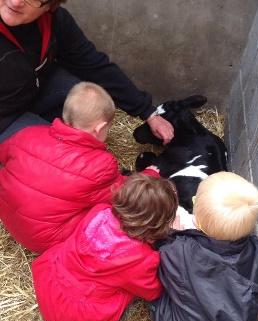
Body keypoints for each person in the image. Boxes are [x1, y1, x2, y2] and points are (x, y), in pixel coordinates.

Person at [0, 82, 159, 253]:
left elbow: (4, 155)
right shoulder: (100, 165)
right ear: (99, 128)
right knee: (114, 213)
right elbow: (125, 193)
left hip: (11, 221)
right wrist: (150, 174)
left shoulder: (28, 133)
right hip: (47, 242)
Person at [144, 172, 258, 321]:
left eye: (195, 199)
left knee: (157, 294)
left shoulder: (180, 251)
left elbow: (162, 269)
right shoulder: (253, 247)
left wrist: (172, 235)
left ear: (198, 218)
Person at [0, 0, 173, 144]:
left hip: (31, 93)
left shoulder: (54, 21)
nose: (15, 2)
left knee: (84, 96)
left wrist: (148, 112)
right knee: (56, 152)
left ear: (50, 5)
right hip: (4, 118)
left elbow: (93, 65)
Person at [32, 174, 178, 321]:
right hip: (75, 312)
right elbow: (151, 292)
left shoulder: (99, 212)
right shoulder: (142, 258)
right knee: (128, 292)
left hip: (49, 284)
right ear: (158, 225)